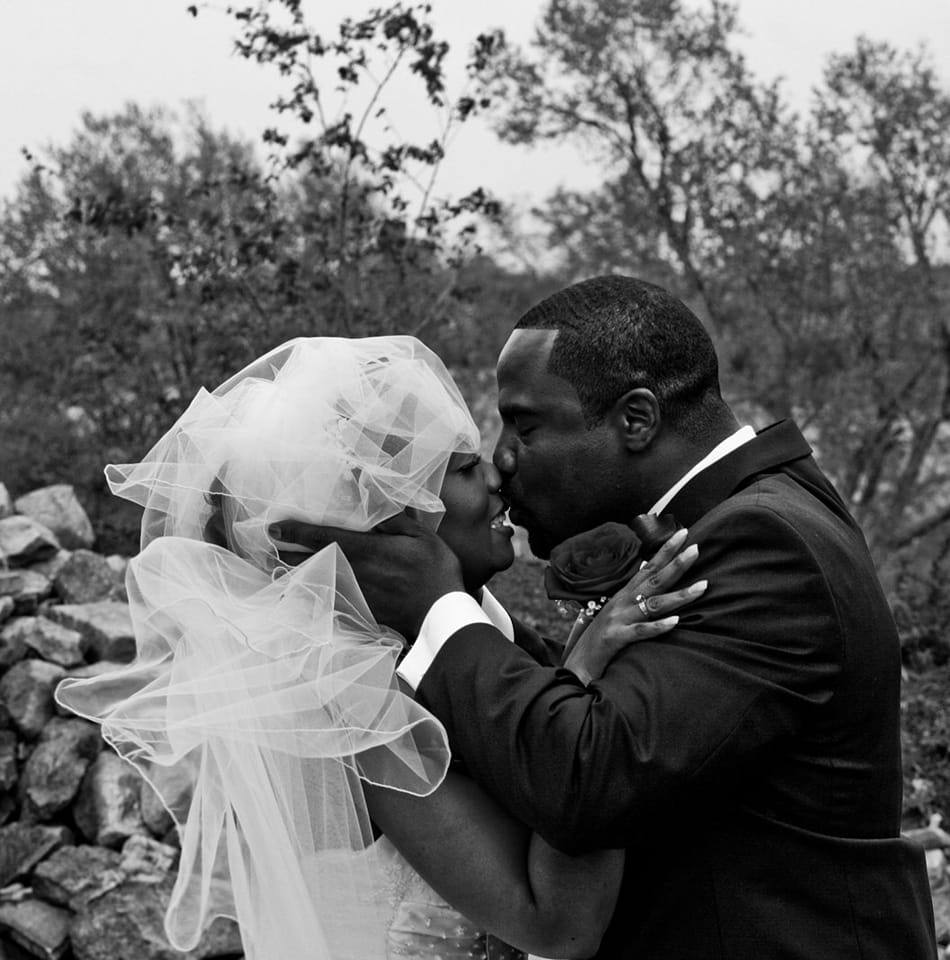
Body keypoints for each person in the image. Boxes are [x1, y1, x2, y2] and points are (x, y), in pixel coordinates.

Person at [277, 277, 938, 959]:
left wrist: (441, 609)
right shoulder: (753, 516)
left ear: (636, 419)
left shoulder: (763, 543)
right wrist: (556, 651)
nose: (504, 460)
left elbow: (591, 779)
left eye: (526, 425)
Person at [55, 335, 701, 960]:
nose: (498, 476)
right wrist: (586, 680)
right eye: (464, 469)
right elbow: (560, 929)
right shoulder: (358, 711)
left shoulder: (471, 643)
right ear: (385, 524)